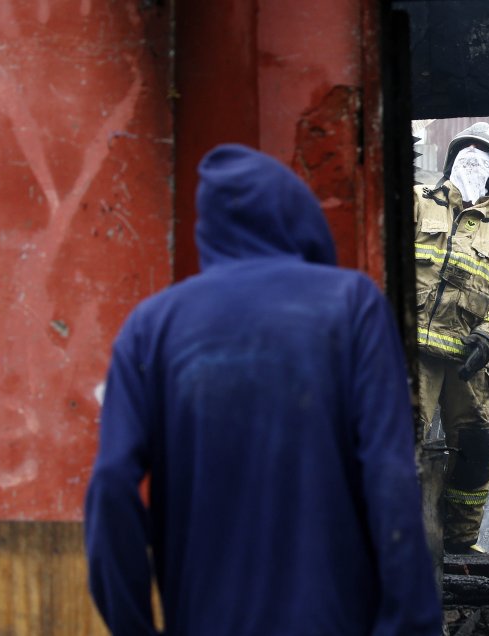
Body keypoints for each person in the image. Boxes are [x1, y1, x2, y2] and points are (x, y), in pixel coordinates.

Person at [84, 144, 441, 635]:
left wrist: (134, 627)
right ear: (297, 217)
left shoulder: (151, 326)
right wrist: (410, 625)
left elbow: (110, 483)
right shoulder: (351, 305)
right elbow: (390, 475)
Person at [414, 122, 489, 553]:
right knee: (401, 437)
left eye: (484, 158)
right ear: (450, 163)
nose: (473, 162)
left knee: (476, 445)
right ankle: (393, 535)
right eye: (467, 154)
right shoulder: (418, 201)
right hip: (413, 352)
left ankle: (461, 542)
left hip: (466, 358)